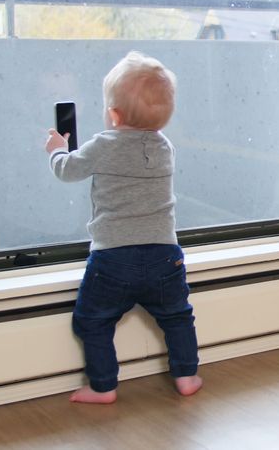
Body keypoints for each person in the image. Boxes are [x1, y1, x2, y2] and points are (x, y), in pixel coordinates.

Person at [45, 51, 202, 404]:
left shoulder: (104, 145)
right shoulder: (165, 147)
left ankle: (103, 386)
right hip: (165, 255)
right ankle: (187, 375)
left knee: (93, 321)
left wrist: (58, 149)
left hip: (113, 258)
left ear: (113, 115)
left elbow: (67, 170)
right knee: (178, 317)